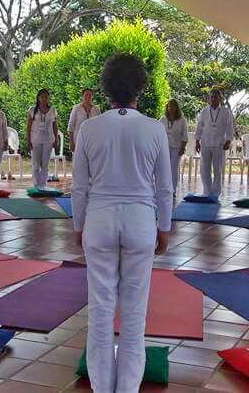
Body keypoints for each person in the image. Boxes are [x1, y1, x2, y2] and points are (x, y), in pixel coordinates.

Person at [72, 54, 173, 393]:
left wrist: (78, 226)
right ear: (141, 87)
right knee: (134, 319)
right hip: (141, 223)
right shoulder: (154, 128)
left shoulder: (90, 127)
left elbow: (79, 186)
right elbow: (165, 187)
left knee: (100, 315)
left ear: (106, 86)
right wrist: (165, 228)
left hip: (98, 221)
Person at [194, 89, 234, 198]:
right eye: (211, 97)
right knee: (204, 169)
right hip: (205, 143)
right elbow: (199, 126)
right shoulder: (204, 111)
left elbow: (230, 127)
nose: (213, 99)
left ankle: (215, 194)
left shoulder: (226, 112)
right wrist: (197, 141)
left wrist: (228, 141)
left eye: (215, 97)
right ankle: (207, 192)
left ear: (220, 99)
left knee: (218, 170)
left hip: (219, 144)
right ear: (209, 98)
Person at [27, 89, 58, 189]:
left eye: (46, 97)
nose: (44, 99)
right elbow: (29, 126)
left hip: (48, 140)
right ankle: (36, 185)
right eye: (42, 97)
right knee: (36, 164)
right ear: (38, 98)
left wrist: (56, 139)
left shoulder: (52, 110)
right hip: (35, 140)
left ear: (49, 98)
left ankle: (43, 185)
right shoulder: (32, 110)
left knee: (45, 164)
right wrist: (28, 140)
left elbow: (55, 125)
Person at [160, 99, 188, 200]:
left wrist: (183, 147)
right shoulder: (163, 119)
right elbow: (157, 132)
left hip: (176, 147)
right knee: (164, 169)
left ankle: (172, 190)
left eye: (173, 106)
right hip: (164, 148)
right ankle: (164, 189)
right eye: (169, 106)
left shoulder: (182, 120)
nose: (171, 108)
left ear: (177, 108)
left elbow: (185, 135)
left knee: (173, 169)